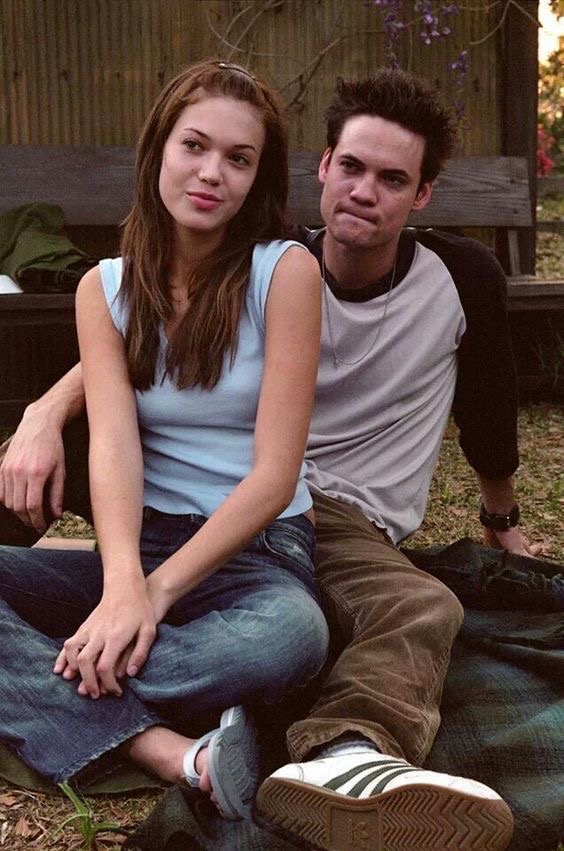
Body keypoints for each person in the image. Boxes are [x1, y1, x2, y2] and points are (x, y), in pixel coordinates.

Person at [0, 69, 541, 849]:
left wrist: (501, 515)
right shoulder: (145, 278)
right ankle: (165, 745)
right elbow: (127, 394)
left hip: (276, 528)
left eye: (393, 178)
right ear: (323, 166)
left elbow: (480, 410)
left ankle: (345, 753)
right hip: (164, 524)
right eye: (351, 166)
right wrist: (48, 420)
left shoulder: (313, 271)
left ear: (423, 193)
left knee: (313, 629)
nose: (364, 191)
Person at [0, 58, 329, 820]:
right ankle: (170, 750)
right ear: (159, 150)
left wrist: (152, 595)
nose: (212, 172)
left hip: (255, 555)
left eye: (238, 158)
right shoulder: (104, 288)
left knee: (294, 637)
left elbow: (275, 477)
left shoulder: (286, 273)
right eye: (195, 145)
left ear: (258, 178)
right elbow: (114, 445)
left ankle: (60, 685)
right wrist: (123, 584)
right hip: (138, 544)